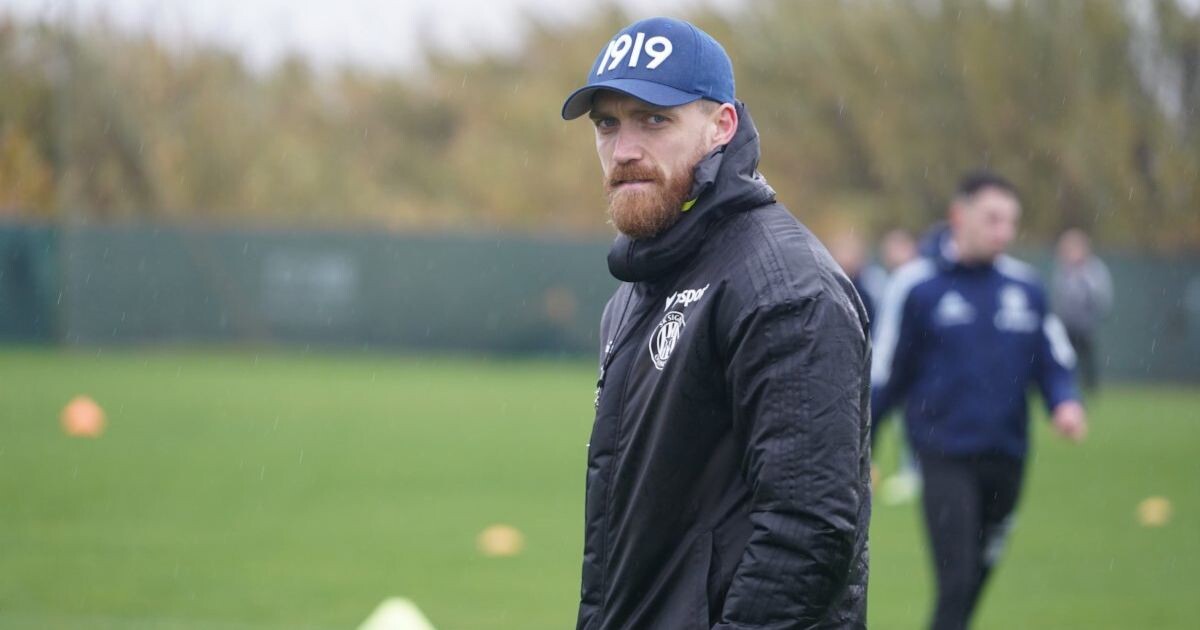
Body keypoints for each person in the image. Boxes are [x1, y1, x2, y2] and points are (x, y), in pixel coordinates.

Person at [561, 16, 871, 630]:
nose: (624, 149)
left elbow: (806, 532)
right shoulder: (638, 288)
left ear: (721, 126)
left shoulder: (784, 287)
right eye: (607, 124)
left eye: (654, 119)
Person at [871, 171, 1088, 630]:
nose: (1003, 232)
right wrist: (863, 446)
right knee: (957, 582)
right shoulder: (918, 286)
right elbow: (886, 375)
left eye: (1011, 222)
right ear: (959, 216)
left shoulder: (1026, 287)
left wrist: (1064, 403)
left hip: (1008, 456)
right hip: (944, 455)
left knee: (973, 584)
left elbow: (1053, 358)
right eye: (992, 219)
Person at [1051, 228, 1113, 392]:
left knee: (1087, 356)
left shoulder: (1094, 268)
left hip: (1086, 322)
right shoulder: (1064, 269)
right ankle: (1068, 382)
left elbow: (1100, 295)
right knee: (1066, 355)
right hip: (1067, 322)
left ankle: (1091, 387)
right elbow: (1060, 295)